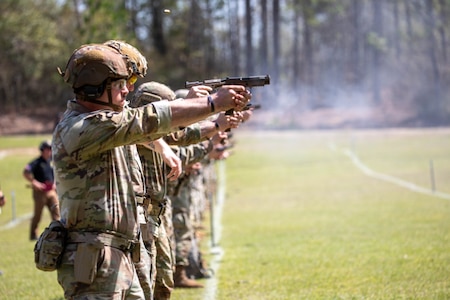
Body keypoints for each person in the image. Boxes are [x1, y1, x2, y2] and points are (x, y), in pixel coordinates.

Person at [53, 43, 251, 299]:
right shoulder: (84, 127)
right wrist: (212, 103)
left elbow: (159, 129)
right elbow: (146, 119)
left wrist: (201, 112)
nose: (128, 89)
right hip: (94, 257)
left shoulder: (108, 123)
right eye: (120, 83)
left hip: (118, 253)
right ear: (97, 86)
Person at [23, 140, 60, 240]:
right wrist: (35, 183)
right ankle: (33, 234)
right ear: (43, 150)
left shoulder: (52, 162)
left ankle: (58, 234)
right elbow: (26, 172)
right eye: (48, 149)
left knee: (56, 213)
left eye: (50, 149)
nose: (49, 151)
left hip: (51, 192)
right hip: (40, 193)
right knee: (38, 215)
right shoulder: (37, 162)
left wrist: (55, 184)